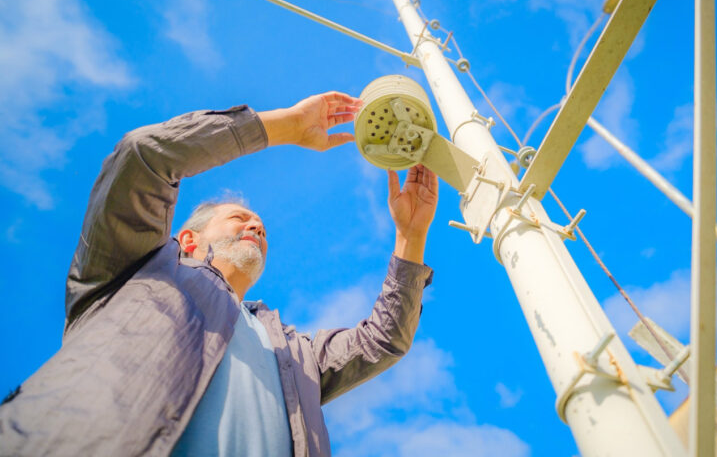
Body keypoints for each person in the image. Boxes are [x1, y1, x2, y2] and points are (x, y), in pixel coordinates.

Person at [0, 91, 439, 457]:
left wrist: (411, 236)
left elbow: (383, 340)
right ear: (188, 241)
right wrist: (286, 126)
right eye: (239, 218)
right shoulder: (136, 269)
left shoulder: (293, 352)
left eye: (261, 227)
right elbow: (143, 155)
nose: (257, 227)